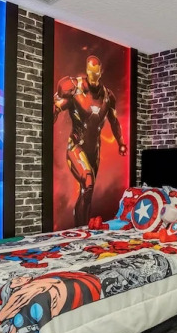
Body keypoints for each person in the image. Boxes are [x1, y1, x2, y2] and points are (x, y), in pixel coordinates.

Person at [54, 55, 127, 227]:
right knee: (88, 181)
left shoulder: (108, 96)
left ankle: (83, 229)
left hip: (94, 150)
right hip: (76, 146)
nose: (93, 76)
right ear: (87, 71)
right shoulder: (74, 88)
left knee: (87, 192)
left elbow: (114, 121)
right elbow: (57, 107)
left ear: (101, 72)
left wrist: (121, 143)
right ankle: (82, 229)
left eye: (96, 72)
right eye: (90, 72)